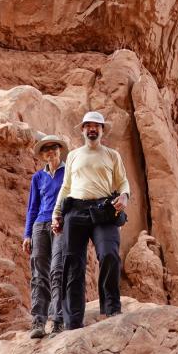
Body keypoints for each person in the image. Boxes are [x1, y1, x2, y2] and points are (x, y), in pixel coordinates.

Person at [52, 111, 130, 329]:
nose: (92, 129)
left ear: (102, 130)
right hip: (75, 211)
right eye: (88, 126)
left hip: (104, 210)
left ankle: (112, 308)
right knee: (72, 264)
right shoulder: (74, 156)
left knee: (109, 254)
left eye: (96, 126)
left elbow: (123, 182)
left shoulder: (112, 155)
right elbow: (65, 187)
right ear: (83, 130)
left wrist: (124, 196)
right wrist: (56, 214)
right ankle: (72, 321)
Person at [23, 134, 68, 339]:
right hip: (40, 225)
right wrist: (27, 234)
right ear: (42, 155)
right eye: (46, 149)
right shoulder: (37, 178)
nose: (51, 151)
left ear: (60, 150)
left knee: (58, 270)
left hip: (61, 223)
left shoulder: (69, 172)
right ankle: (38, 321)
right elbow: (32, 207)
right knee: (39, 273)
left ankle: (58, 320)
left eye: (54, 147)